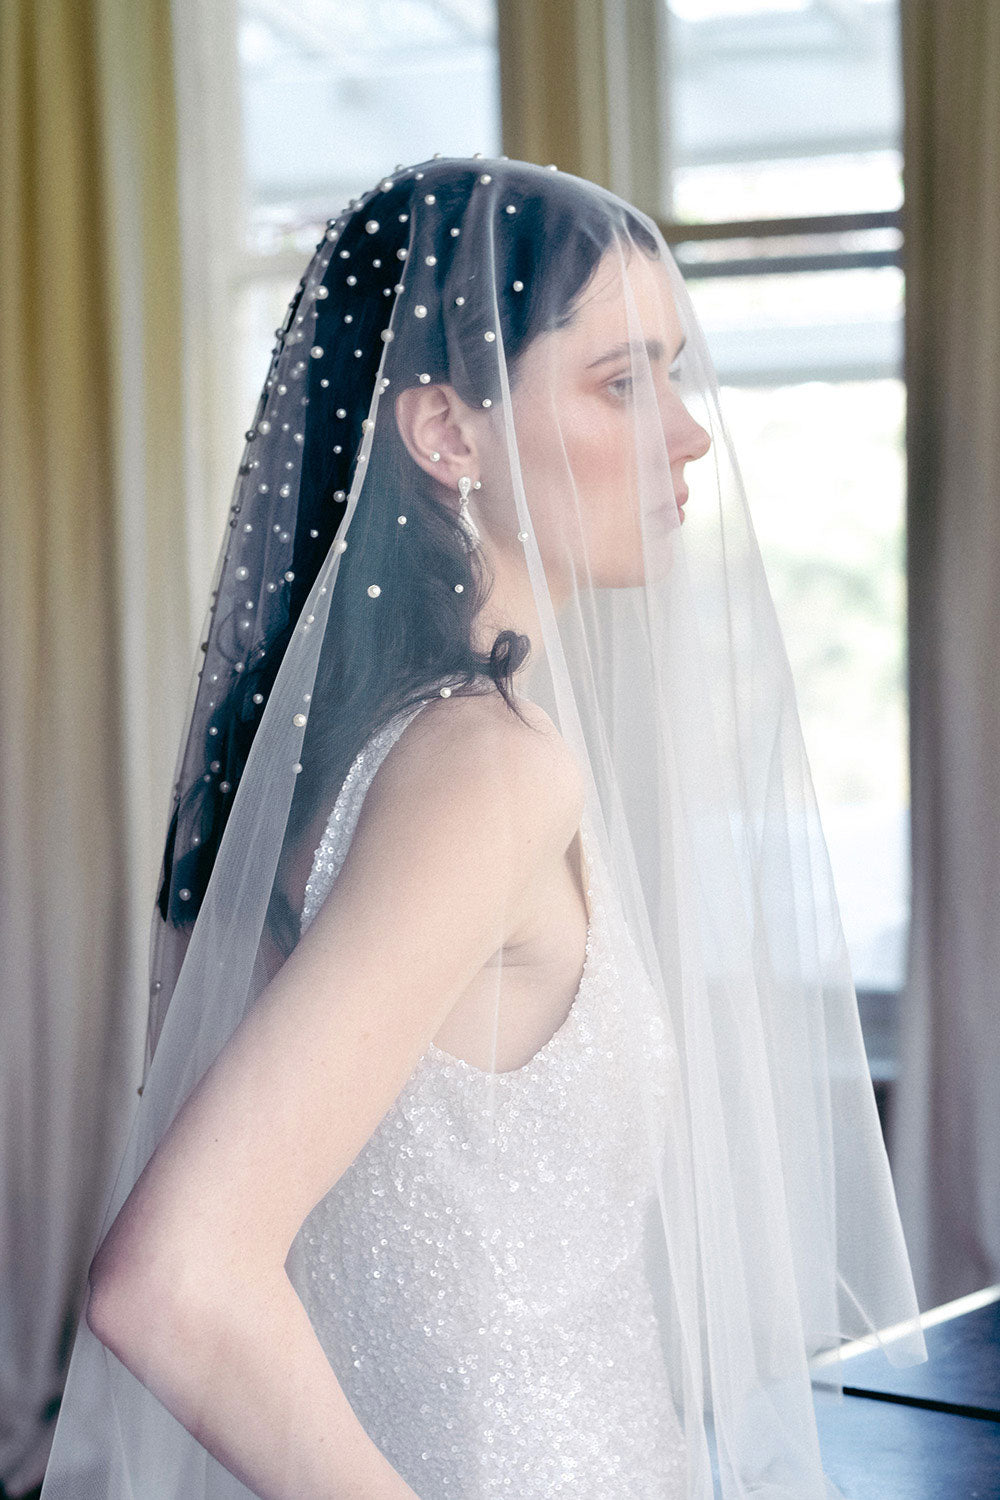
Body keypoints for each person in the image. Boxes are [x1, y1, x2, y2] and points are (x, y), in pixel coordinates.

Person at [39, 156, 926, 1500]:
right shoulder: (486, 778)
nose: (688, 434)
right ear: (445, 432)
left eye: (673, 375)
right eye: (623, 383)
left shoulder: (359, 754)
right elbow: (174, 1280)